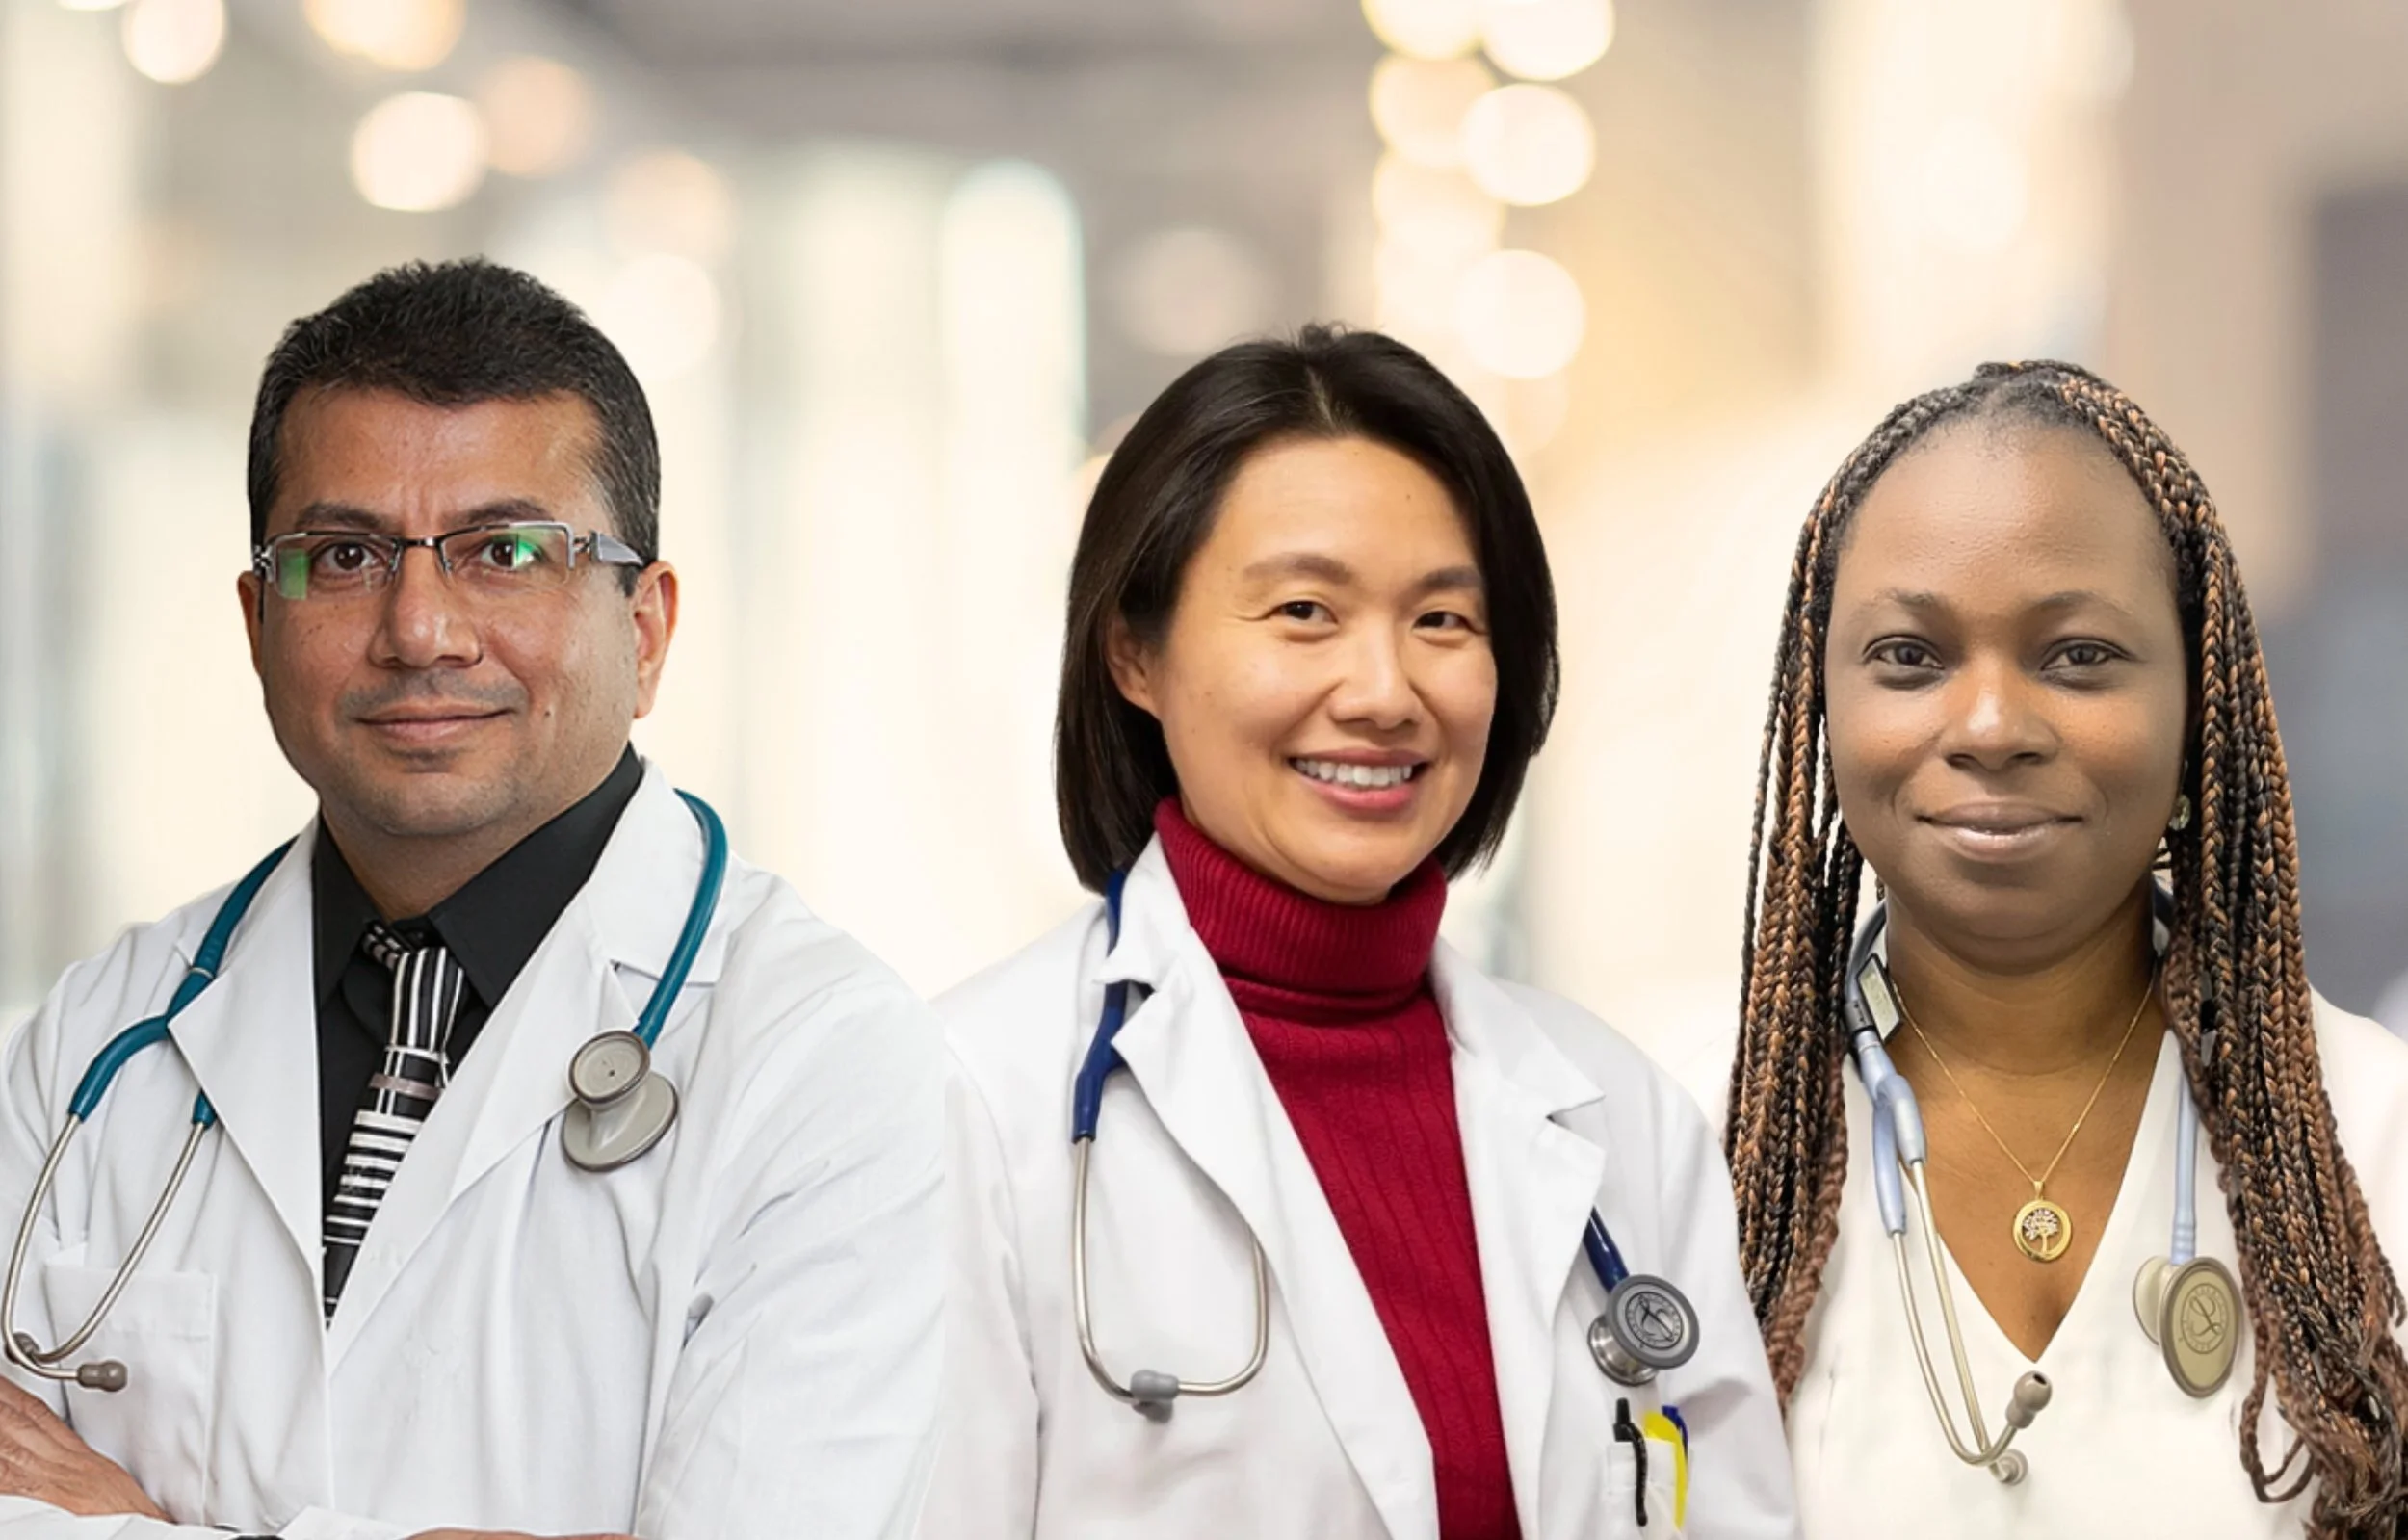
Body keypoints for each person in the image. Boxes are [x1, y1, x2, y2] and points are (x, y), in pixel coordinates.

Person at [0, 260, 944, 1539]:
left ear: (648, 628)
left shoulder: (826, 1059)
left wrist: (132, 1519)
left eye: (507, 552)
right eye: (343, 556)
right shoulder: (98, 1036)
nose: (421, 629)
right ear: (254, 623)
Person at [925, 326, 1797, 1540]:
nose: (1385, 691)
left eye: (1442, 620)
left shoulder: (1619, 1119)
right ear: (1135, 650)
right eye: (1302, 610)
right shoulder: (959, 1104)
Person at [1721, 360, 2408, 1537]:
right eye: (1909, 657)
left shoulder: (2380, 1135)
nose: (1990, 726)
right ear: (1819, 704)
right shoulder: (1692, 1152)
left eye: (2077, 655)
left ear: (2199, 701)